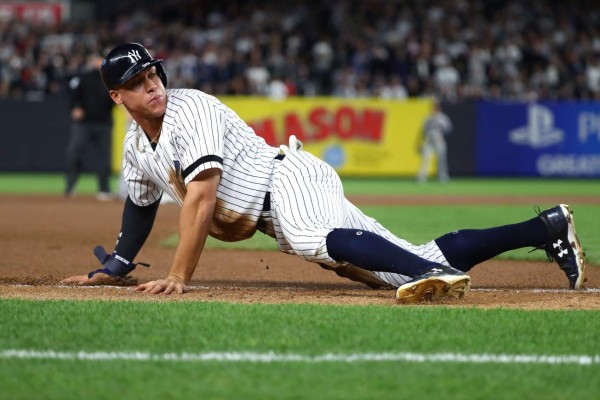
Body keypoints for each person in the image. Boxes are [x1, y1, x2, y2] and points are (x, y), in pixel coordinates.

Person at [61, 43, 586, 303]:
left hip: (286, 181)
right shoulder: (136, 143)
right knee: (402, 266)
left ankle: (432, 278)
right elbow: (140, 201)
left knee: (317, 237)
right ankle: (545, 227)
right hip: (275, 207)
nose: (152, 84)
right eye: (137, 80)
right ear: (117, 96)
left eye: (153, 72)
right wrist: (121, 263)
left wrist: (179, 276)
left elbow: (200, 198)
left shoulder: (188, 109)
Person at [65, 52, 115, 200]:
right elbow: (72, 95)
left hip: (104, 123)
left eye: (101, 59)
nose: (99, 62)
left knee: (104, 158)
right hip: (84, 123)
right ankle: (70, 186)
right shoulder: (84, 77)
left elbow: (118, 97)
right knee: (74, 153)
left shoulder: (112, 80)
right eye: (97, 59)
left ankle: (104, 189)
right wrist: (75, 107)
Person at [416, 101, 452, 184]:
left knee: (441, 160)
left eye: (436, 108)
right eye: (433, 108)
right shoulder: (427, 118)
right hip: (430, 142)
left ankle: (443, 177)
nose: (434, 110)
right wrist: (421, 142)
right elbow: (423, 131)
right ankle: (422, 177)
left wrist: (442, 135)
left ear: (439, 109)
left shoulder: (443, 118)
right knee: (425, 159)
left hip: (440, 142)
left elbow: (448, 129)